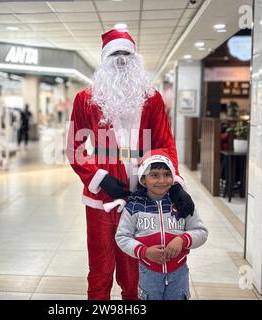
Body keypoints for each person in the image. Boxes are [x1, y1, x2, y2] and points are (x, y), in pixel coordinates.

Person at [66, 29, 195, 300]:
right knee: (100, 267)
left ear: (135, 59)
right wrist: (100, 177)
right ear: (104, 59)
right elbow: (74, 148)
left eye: (127, 53)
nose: (122, 59)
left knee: (134, 269)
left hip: (141, 198)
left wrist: (175, 185)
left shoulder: (152, 99)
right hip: (100, 200)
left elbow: (164, 144)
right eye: (115, 53)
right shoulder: (85, 99)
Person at [115, 149, 208, 300]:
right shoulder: (134, 206)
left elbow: (201, 232)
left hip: (179, 273)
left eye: (167, 174)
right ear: (143, 179)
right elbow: (122, 237)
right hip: (148, 273)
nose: (162, 180)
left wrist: (182, 240)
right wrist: (144, 251)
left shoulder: (182, 204)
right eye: (154, 175)